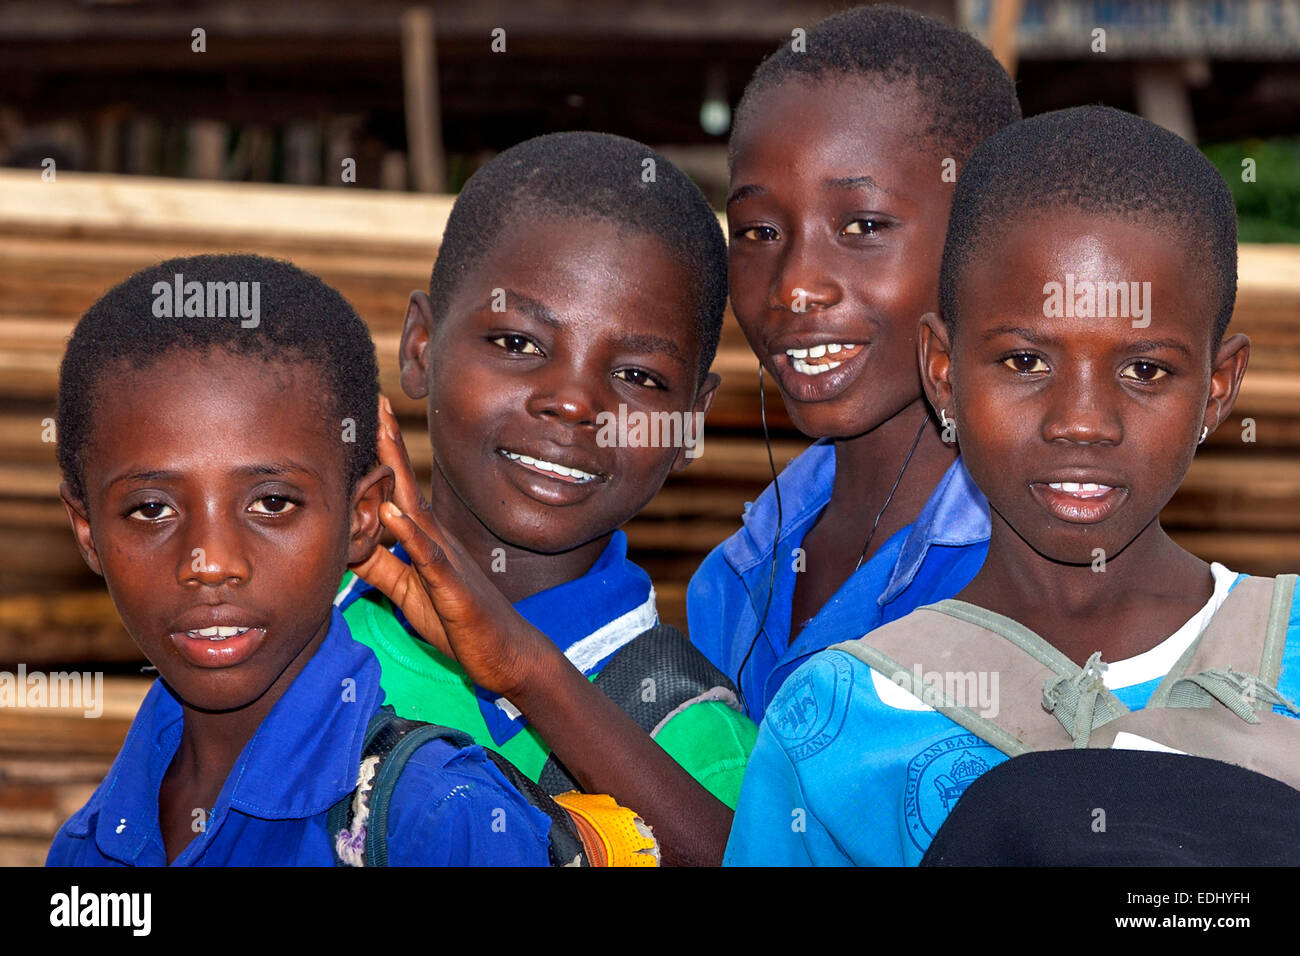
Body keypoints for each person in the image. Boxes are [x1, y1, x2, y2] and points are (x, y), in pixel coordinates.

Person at [725, 106, 1300, 866]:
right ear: (943, 371)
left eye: (1145, 370)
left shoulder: (1287, 648)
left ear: (1218, 389)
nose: (1082, 423)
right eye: (1026, 362)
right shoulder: (837, 717)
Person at [45, 254, 616, 866]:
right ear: (86, 532)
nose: (210, 563)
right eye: (152, 510)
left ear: (362, 517)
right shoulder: (90, 842)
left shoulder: (438, 820)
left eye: (271, 502)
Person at [337, 131, 756, 866]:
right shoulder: (296, 626)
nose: (572, 403)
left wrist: (527, 670)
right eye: (519, 344)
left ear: (692, 423)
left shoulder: (693, 743)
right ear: (419, 348)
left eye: (639, 377)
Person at [687, 5, 1022, 723]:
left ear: (985, 239)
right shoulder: (734, 579)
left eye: (864, 226)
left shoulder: (1025, 576)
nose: (795, 283)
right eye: (759, 231)